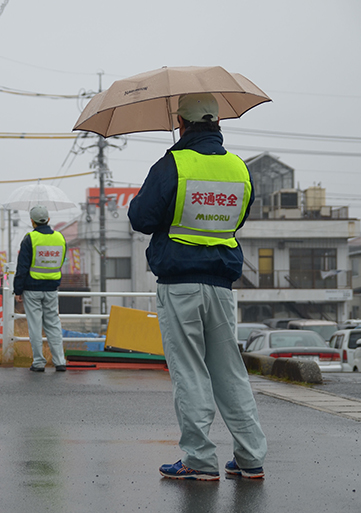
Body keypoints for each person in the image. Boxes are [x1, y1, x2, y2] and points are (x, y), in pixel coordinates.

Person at [127, 92, 267, 481]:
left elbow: (140, 217)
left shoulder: (173, 163)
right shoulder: (239, 168)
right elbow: (238, 219)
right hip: (222, 284)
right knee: (230, 371)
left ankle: (199, 460)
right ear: (218, 124)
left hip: (180, 282)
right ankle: (251, 456)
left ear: (182, 124)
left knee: (189, 371)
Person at [13, 205, 68, 372]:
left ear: (32, 221)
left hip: (32, 288)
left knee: (35, 325)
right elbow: (62, 260)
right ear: (48, 219)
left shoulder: (30, 239)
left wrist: (18, 290)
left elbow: (22, 267)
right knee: (53, 324)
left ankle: (38, 362)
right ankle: (60, 361)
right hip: (51, 287)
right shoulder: (60, 238)